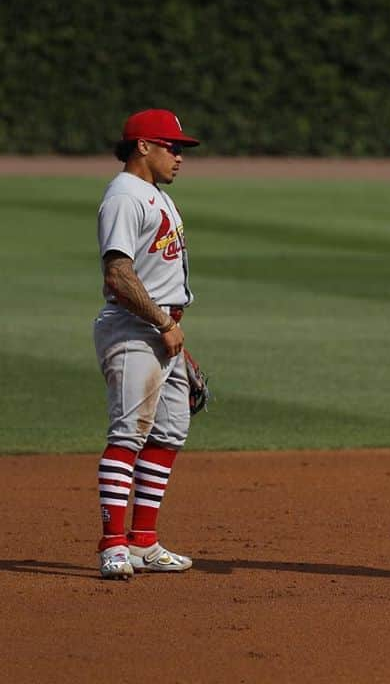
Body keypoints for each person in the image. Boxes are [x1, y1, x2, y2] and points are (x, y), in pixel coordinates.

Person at [94, 109, 201, 579]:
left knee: (169, 432)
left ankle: (143, 542)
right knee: (128, 434)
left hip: (161, 329)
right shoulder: (124, 196)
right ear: (143, 147)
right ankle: (112, 545)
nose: (179, 156)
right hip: (136, 327)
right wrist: (162, 324)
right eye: (171, 147)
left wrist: (176, 336)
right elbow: (118, 274)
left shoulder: (152, 194)